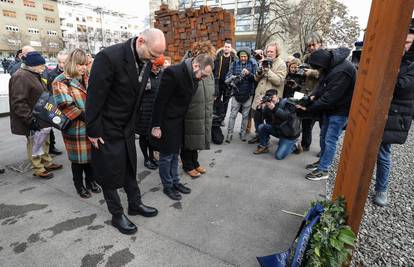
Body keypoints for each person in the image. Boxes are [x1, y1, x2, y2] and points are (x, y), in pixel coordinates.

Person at [86, 29, 164, 235]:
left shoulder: (146, 60)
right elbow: (94, 97)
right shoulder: (108, 57)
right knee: (109, 171)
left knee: (130, 166)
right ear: (141, 41)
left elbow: (137, 95)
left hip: (127, 126)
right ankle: (116, 213)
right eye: (154, 55)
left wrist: (136, 124)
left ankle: (135, 203)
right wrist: (93, 130)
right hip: (106, 127)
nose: (156, 61)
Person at [151, 54, 214, 201]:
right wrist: (156, 126)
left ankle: (176, 182)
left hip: (179, 121)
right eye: (203, 75)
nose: (203, 78)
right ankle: (168, 186)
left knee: (175, 154)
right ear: (196, 65)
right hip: (166, 122)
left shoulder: (195, 76)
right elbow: (160, 101)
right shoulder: (173, 73)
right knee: (167, 157)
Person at [297, 48, 356, 181]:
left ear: (322, 64)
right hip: (331, 109)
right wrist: (312, 97)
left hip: (340, 111)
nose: (317, 71)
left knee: (330, 140)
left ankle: (324, 169)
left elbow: (329, 98)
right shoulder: (330, 66)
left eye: (317, 68)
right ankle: (322, 162)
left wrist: (308, 109)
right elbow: (322, 87)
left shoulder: (342, 71)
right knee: (323, 136)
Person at [373, 24, 414, 206]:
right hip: (378, 111)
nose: (404, 45)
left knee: (383, 153)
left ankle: (381, 189)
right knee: (366, 150)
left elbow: (402, 86)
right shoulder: (395, 58)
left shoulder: (410, 63)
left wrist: (391, 67)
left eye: (408, 42)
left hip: (395, 114)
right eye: (402, 41)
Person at [52, 49, 101, 198]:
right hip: (75, 126)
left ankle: (91, 181)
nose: (83, 68)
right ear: (72, 63)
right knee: (78, 160)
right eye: (80, 64)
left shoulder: (86, 77)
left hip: (90, 124)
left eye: (85, 64)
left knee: (91, 157)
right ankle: (79, 185)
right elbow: (65, 105)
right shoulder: (60, 81)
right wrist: (89, 117)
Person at [9, 51, 63, 179]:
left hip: (41, 116)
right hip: (31, 118)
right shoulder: (20, 77)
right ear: (32, 65)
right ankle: (38, 168)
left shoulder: (34, 73)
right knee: (34, 144)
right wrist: (30, 120)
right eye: (41, 66)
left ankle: (47, 162)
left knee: (45, 141)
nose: (44, 68)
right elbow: (18, 102)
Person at [180, 41, 216, 178]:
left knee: (197, 139)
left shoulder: (207, 67)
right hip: (192, 110)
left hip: (204, 108)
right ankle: (187, 165)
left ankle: (194, 162)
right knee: (189, 139)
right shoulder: (189, 67)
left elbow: (211, 81)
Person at [248, 42, 287, 144]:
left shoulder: (281, 64)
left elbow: (279, 81)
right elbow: (256, 78)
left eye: (271, 51)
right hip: (259, 96)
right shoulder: (264, 61)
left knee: (270, 121)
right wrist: (260, 71)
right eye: (268, 51)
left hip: (270, 99)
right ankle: (259, 135)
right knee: (257, 118)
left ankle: (265, 140)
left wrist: (267, 70)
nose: (269, 53)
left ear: (277, 52)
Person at [253, 89, 302, 159]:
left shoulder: (287, 103)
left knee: (279, 156)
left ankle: (295, 145)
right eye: (269, 98)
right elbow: (260, 120)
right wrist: (259, 108)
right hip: (278, 130)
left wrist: (274, 108)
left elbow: (286, 116)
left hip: (288, 133)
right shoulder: (268, 105)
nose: (271, 100)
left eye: (272, 97)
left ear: (277, 96)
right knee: (262, 127)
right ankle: (264, 146)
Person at [135, 55, 165, 170]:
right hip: (144, 111)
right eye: (156, 65)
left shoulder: (161, 74)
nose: (158, 68)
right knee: (144, 136)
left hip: (155, 110)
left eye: (160, 66)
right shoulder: (143, 74)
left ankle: (152, 156)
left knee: (152, 136)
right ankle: (146, 158)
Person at [225, 47, 257, 143]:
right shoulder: (234, 64)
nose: (243, 58)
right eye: (241, 56)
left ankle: (242, 133)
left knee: (245, 116)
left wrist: (249, 74)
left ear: (248, 56)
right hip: (236, 93)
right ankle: (229, 134)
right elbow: (227, 78)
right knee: (232, 115)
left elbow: (256, 79)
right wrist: (233, 78)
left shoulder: (253, 64)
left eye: (245, 56)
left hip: (248, 94)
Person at [301, 32, 324, 151]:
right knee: (306, 122)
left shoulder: (325, 57)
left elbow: (325, 74)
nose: (311, 48)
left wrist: (311, 73)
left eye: (313, 45)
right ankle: (305, 145)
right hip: (307, 92)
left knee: (322, 126)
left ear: (320, 44)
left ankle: (323, 151)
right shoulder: (307, 57)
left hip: (320, 95)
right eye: (309, 45)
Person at [47, 51, 68, 156]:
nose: (62, 64)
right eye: (60, 62)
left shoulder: (72, 72)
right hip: (57, 105)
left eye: (64, 62)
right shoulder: (52, 75)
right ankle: (51, 146)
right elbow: (49, 92)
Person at [213, 40, 237, 125]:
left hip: (228, 84)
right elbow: (213, 70)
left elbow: (235, 71)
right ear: (223, 47)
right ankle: (215, 117)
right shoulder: (218, 58)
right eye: (225, 46)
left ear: (231, 49)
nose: (226, 48)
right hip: (218, 82)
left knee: (225, 102)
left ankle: (222, 118)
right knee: (216, 100)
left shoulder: (234, 60)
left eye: (228, 47)